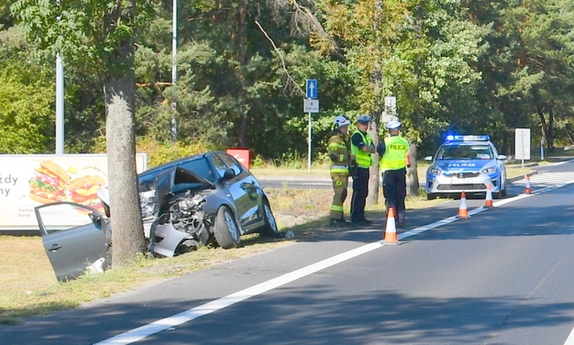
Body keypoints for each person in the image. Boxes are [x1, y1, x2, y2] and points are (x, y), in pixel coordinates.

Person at [377, 120, 410, 227]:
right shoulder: (404, 142)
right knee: (400, 196)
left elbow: (378, 150)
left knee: (390, 196)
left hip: (388, 172)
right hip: (400, 171)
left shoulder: (386, 142)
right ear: (398, 131)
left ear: (389, 131)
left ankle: (391, 218)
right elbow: (407, 157)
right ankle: (401, 219)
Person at [350, 115, 376, 225]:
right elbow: (364, 148)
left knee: (364, 192)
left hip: (365, 167)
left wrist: (367, 148)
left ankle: (361, 215)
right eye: (363, 124)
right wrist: (367, 148)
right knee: (358, 192)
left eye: (367, 124)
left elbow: (373, 149)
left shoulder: (367, 136)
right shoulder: (357, 135)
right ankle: (355, 216)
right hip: (357, 167)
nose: (365, 126)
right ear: (358, 124)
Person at [327, 115, 352, 227]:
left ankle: (340, 216)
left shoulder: (344, 139)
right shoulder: (334, 140)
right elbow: (333, 156)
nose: (346, 128)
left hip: (344, 172)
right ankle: (334, 218)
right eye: (343, 127)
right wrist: (348, 158)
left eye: (346, 126)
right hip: (337, 173)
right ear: (337, 127)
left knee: (343, 194)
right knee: (339, 194)